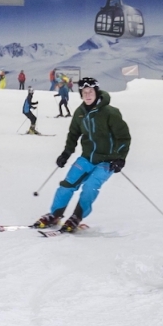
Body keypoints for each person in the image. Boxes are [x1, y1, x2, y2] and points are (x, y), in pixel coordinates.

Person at [31, 77, 130, 233]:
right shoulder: (79, 113)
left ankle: (76, 216)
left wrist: (120, 158)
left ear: (96, 92)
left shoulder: (110, 112)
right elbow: (73, 134)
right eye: (84, 92)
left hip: (107, 162)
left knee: (90, 186)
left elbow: (123, 137)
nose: (88, 95)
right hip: (86, 158)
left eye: (90, 91)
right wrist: (66, 153)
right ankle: (55, 214)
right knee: (67, 184)